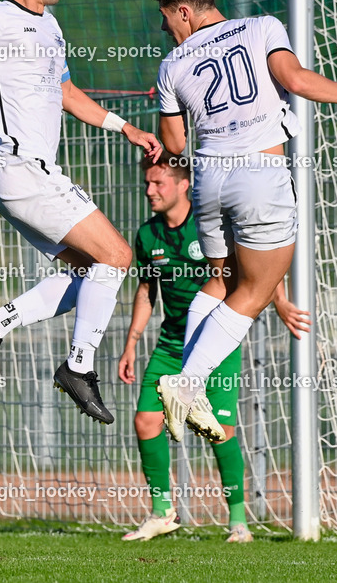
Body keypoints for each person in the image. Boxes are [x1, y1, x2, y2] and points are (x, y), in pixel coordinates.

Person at [149, 0, 337, 441]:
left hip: (208, 180)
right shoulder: (262, 27)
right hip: (259, 176)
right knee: (257, 291)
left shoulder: (171, 64)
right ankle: (187, 382)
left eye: (165, 19)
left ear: (184, 11)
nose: (165, 30)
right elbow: (295, 79)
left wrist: (169, 113)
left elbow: (174, 143)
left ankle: (188, 382)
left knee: (221, 280)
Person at [0, 0, 162, 424]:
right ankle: (78, 367)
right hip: (21, 169)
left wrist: (123, 126)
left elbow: (67, 93)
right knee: (118, 255)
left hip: (28, 175)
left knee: (91, 272)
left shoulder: (52, 26)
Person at [117, 154, 309, 544]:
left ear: (184, 183)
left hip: (215, 340)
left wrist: (281, 301)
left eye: (159, 184)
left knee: (220, 430)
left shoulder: (210, 228)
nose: (150, 191)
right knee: (145, 421)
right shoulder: (147, 235)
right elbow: (145, 292)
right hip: (171, 343)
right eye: (148, 184)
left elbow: (255, 269)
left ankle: (238, 522)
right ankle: (162, 513)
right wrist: (131, 344)